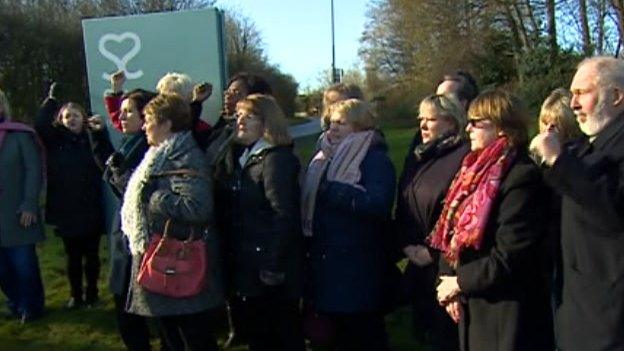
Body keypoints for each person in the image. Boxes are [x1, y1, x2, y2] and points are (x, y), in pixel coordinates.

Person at [428, 90, 553, 351]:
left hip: (504, 311)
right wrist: (447, 278)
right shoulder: (472, 172)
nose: (468, 128)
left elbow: (511, 255)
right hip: (470, 302)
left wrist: (459, 282)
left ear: (502, 128)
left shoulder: (521, 177)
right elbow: (451, 233)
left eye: (476, 122)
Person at [530, 56, 624, 350]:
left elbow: (611, 211)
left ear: (617, 96)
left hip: (610, 322)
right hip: (578, 312)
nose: (573, 104)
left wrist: (559, 160)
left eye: (582, 93)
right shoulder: (590, 145)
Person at [120, 93, 223, 351]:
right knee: (172, 336)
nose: (144, 126)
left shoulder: (184, 157)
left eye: (149, 120)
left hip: (179, 260)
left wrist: (155, 198)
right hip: (163, 258)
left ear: (166, 124)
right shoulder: (158, 154)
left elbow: (197, 208)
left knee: (192, 337)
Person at [302, 99, 396, 351]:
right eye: (331, 122)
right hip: (326, 262)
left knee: (362, 335)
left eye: (341, 123)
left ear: (359, 125)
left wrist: (335, 191)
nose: (333, 128)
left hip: (357, 264)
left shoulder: (374, 159)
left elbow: (378, 204)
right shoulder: (324, 156)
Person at [221, 94, 305, 351]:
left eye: (250, 116)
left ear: (267, 121)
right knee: (260, 335)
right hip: (251, 263)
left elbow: (282, 214)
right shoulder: (248, 156)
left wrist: (272, 265)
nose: (241, 122)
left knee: (278, 334)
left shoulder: (274, 159)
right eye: (238, 116)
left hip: (270, 269)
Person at [89, 88, 170, 351]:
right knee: (122, 302)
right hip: (123, 233)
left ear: (146, 115)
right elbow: (113, 175)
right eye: (121, 111)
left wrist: (117, 173)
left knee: (153, 308)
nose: (121, 117)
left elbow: (133, 189)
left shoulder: (152, 151)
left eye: (128, 112)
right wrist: (100, 137)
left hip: (144, 239)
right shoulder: (130, 144)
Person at [395, 94, 469, 350]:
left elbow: (461, 214)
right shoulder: (419, 155)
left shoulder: (463, 155)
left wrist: (434, 252)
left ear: (450, 122)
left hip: (445, 266)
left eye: (431, 120)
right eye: (421, 120)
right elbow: (404, 201)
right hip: (417, 264)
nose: (423, 126)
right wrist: (406, 244)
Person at [35, 84, 104, 309]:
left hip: (90, 206)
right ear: (61, 120)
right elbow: (41, 125)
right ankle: (76, 295)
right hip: (66, 209)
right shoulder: (56, 141)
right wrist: (51, 100)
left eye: (75, 115)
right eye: (66, 116)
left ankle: (92, 294)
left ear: (83, 118)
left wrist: (99, 131)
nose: (71, 119)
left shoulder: (90, 139)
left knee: (91, 256)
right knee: (72, 256)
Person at [0, 88, 45, 323]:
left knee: (23, 266)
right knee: (3, 271)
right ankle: (15, 302)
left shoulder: (20, 136)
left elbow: (33, 171)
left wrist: (29, 204)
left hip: (17, 212)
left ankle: (32, 306)